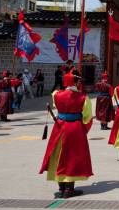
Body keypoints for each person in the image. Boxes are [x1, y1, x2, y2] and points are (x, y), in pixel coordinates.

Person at [39, 69, 93, 199]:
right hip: (75, 128)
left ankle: (61, 187)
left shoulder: (56, 94)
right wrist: (83, 129)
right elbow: (88, 117)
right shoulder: (83, 98)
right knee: (72, 157)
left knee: (58, 155)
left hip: (59, 127)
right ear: (76, 82)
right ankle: (69, 189)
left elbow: (56, 107)